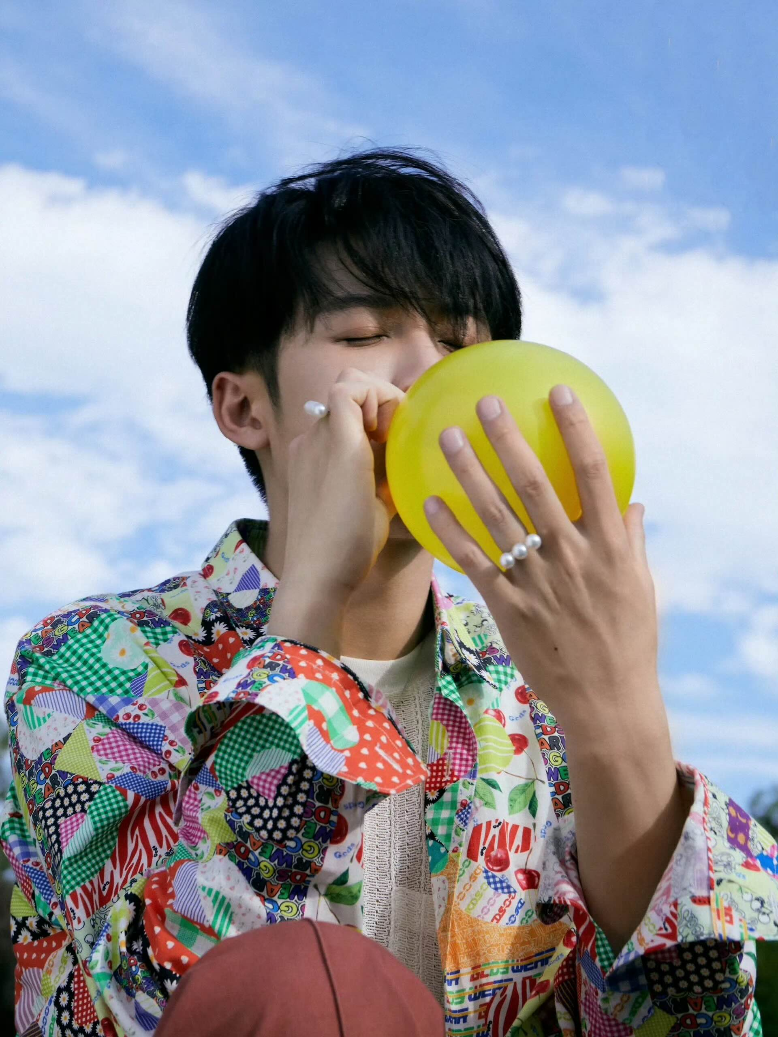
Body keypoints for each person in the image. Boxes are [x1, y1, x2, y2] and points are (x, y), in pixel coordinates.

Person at [2, 147, 776, 1037]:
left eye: (462, 344)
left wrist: (618, 713)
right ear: (244, 408)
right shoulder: (90, 662)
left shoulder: (534, 691)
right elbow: (165, 998)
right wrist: (311, 605)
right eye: (365, 335)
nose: (428, 375)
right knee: (299, 976)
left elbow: (690, 1021)